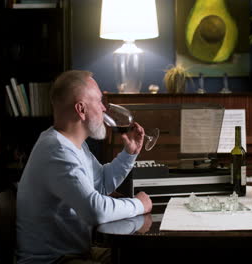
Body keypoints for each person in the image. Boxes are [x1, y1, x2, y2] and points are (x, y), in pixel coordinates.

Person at [16, 70, 152, 264]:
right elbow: (96, 211)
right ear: (81, 109)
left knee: (146, 255)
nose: (104, 109)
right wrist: (139, 205)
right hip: (54, 261)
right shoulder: (56, 151)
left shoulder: (73, 145)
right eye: (99, 101)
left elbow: (102, 184)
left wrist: (129, 154)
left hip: (77, 254)